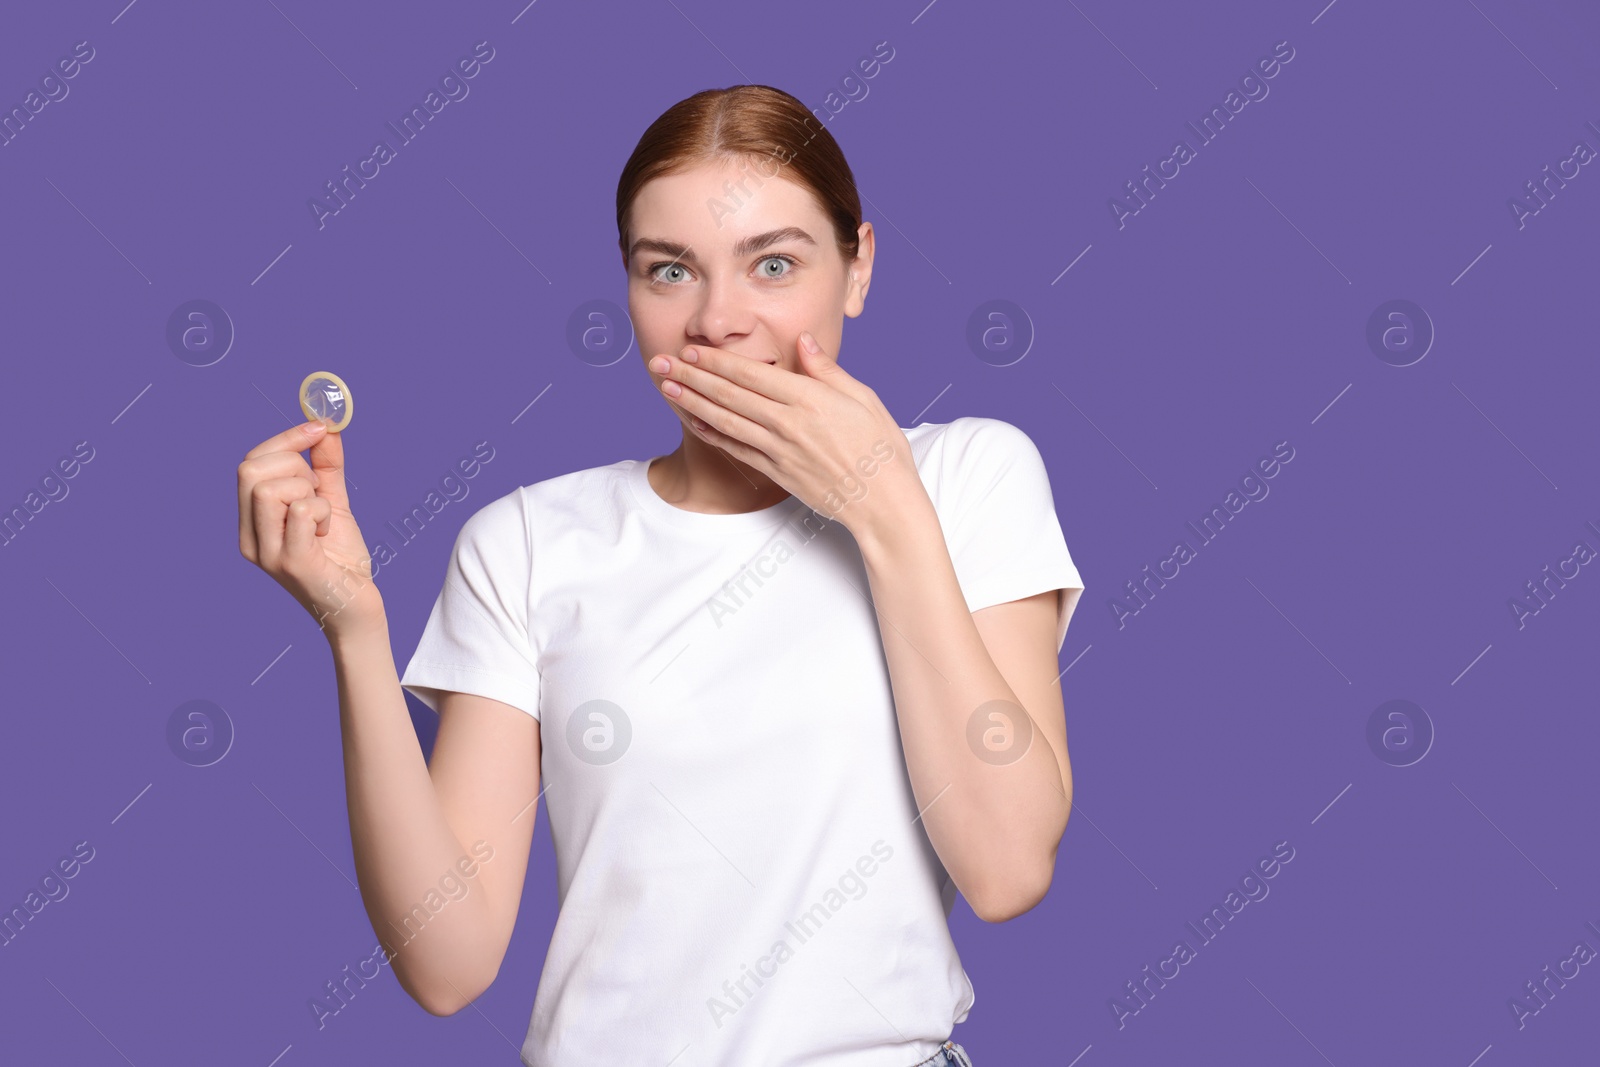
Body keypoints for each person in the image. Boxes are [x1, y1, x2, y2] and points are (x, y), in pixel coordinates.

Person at [237, 83, 1084, 1067]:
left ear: (858, 268)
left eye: (774, 263)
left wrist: (877, 496)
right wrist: (353, 624)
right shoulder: (526, 540)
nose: (717, 320)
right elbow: (447, 961)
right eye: (670, 270)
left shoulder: (967, 476)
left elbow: (1007, 866)